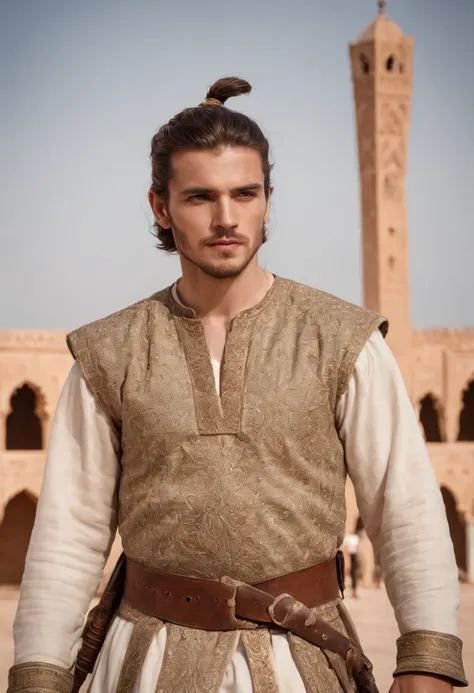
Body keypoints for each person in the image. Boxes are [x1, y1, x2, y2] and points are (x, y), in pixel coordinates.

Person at [8, 77, 467, 693]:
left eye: (245, 194)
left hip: (303, 663)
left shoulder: (343, 340)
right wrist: (38, 677)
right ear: (161, 207)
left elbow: (404, 508)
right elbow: (69, 534)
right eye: (200, 197)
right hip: (142, 665)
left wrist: (426, 662)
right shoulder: (109, 352)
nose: (227, 218)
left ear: (268, 200)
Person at [344, 532, 361, 599]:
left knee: (353, 574)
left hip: (353, 555)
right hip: (349, 555)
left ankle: (354, 591)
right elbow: (346, 550)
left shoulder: (355, 537)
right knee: (350, 573)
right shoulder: (349, 538)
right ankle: (352, 591)